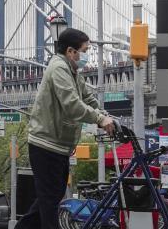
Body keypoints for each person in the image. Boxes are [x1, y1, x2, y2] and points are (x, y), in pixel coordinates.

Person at [17, 28, 116, 229]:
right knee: (50, 202)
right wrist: (99, 119)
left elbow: (87, 97)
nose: (86, 55)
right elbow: (72, 104)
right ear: (71, 51)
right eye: (85, 50)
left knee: (49, 197)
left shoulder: (72, 71)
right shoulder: (59, 69)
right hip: (46, 145)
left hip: (58, 146)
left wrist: (105, 116)